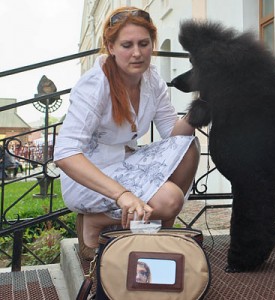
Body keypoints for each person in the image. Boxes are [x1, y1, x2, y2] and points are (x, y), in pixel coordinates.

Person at [54, 6, 200, 261]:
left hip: (126, 163)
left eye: (144, 44)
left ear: (152, 43)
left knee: (189, 146)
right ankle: (94, 220)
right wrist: (122, 195)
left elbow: (173, 134)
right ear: (111, 47)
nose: (137, 53)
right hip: (90, 176)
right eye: (126, 45)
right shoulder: (95, 84)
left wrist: (202, 107)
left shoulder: (152, 78)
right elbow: (65, 154)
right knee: (169, 201)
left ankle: (161, 235)